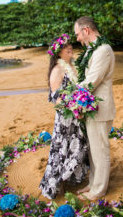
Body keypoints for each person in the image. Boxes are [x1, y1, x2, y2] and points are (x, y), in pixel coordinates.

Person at [39, 34, 88, 199]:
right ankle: (56, 183)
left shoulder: (73, 66)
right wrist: (74, 109)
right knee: (61, 151)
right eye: (65, 46)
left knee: (78, 147)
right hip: (65, 119)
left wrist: (82, 105)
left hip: (77, 117)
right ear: (58, 53)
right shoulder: (57, 70)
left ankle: (72, 178)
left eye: (70, 45)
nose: (69, 47)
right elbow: (56, 99)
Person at [74, 16, 115, 200]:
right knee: (93, 150)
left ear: (86, 30)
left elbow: (92, 81)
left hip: (100, 107)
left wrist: (70, 93)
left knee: (100, 151)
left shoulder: (103, 51)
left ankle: (99, 190)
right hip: (91, 107)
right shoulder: (93, 50)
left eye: (77, 34)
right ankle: (92, 183)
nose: (77, 39)